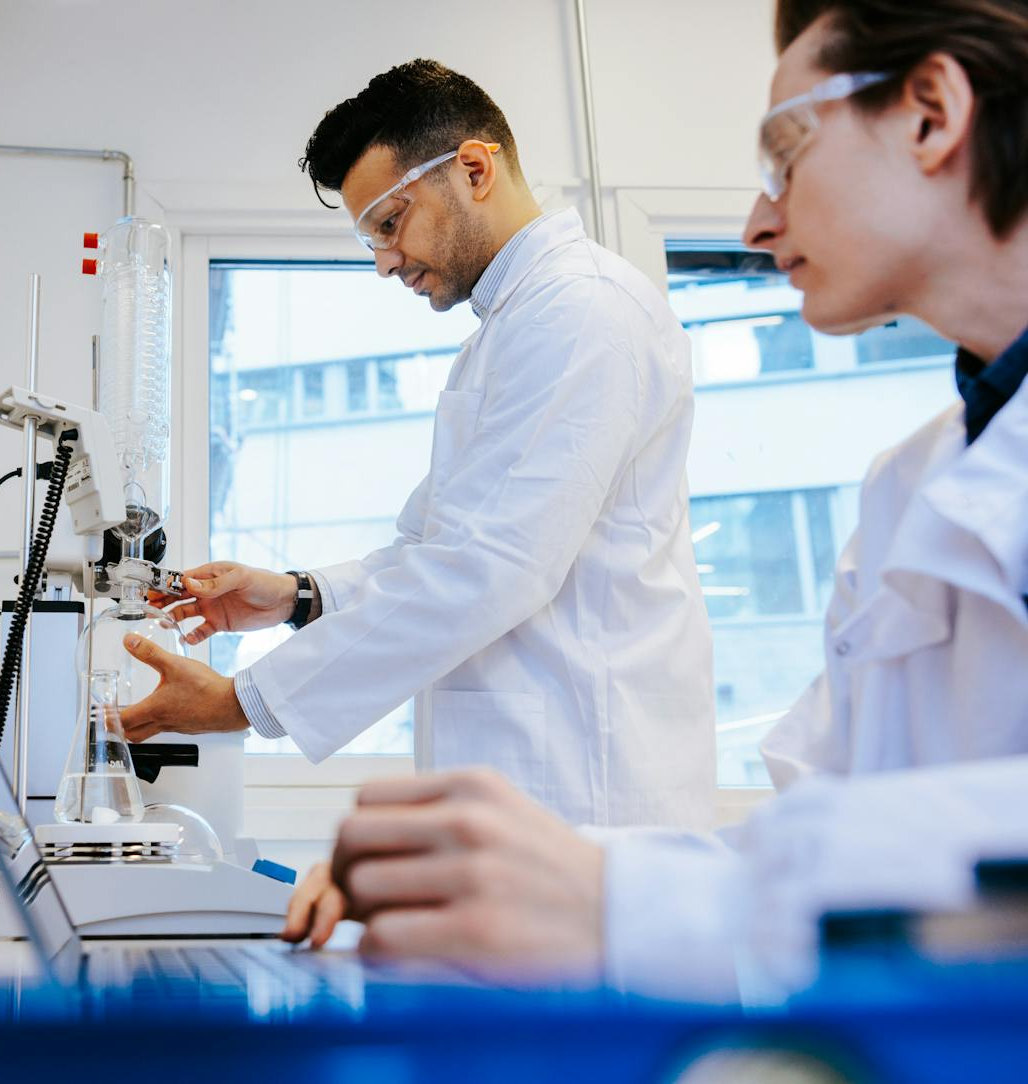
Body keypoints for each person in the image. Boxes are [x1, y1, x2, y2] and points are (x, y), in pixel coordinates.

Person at [285, 0, 1028, 998]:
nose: (758, 221)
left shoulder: (580, 309)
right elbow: (831, 830)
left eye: (785, 152)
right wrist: (506, 872)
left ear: (931, 113)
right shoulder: (910, 482)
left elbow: (488, 565)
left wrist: (614, 891)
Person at [120, 60, 716, 832]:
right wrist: (298, 596)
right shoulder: (510, 332)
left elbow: (488, 569)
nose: (384, 261)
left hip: (588, 794)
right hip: (535, 795)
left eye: (389, 224)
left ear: (473, 169)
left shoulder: (580, 313)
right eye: (371, 237)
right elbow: (436, 551)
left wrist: (242, 701)